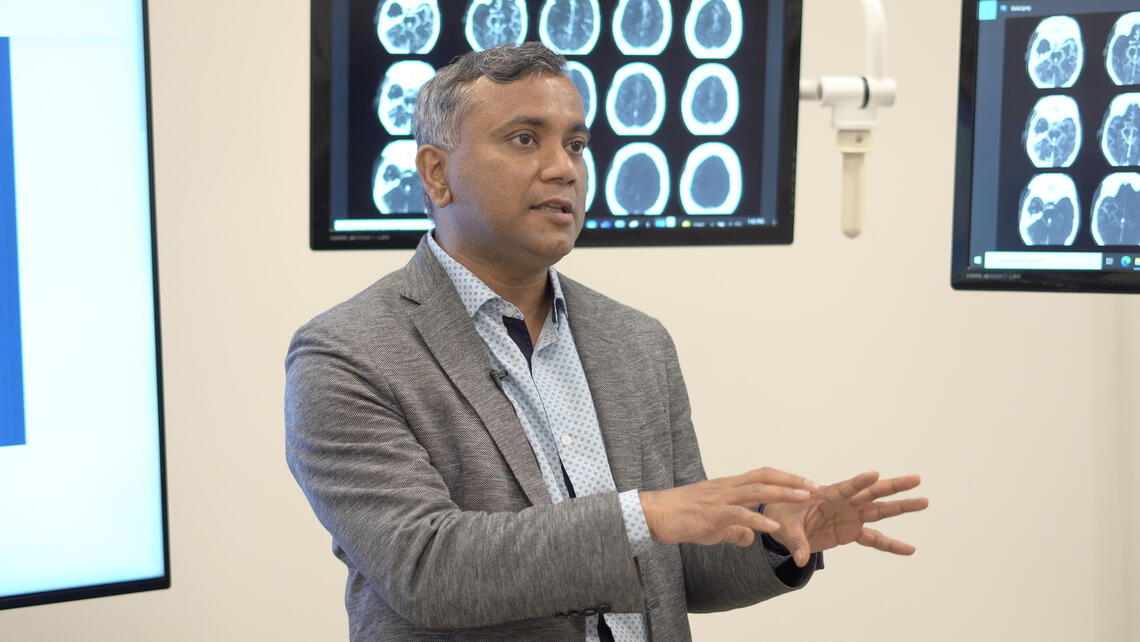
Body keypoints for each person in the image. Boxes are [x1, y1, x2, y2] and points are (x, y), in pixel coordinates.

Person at [285, 42, 927, 641]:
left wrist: (774, 538)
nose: (563, 168)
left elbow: (679, 571)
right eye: (525, 139)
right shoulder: (346, 354)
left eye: (577, 143)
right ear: (436, 174)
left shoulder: (637, 342)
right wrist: (645, 516)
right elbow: (428, 569)